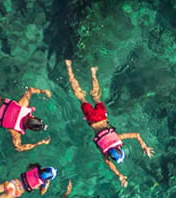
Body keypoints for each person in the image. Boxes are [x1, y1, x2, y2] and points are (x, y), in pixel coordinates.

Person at [64, 59, 154, 187]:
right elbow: (109, 164)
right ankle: (69, 67)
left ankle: (93, 73)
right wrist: (119, 175)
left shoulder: (117, 139)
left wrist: (144, 146)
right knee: (81, 97)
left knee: (96, 97)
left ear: (119, 148)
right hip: (92, 120)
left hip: (101, 116)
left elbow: (136, 135)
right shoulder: (104, 151)